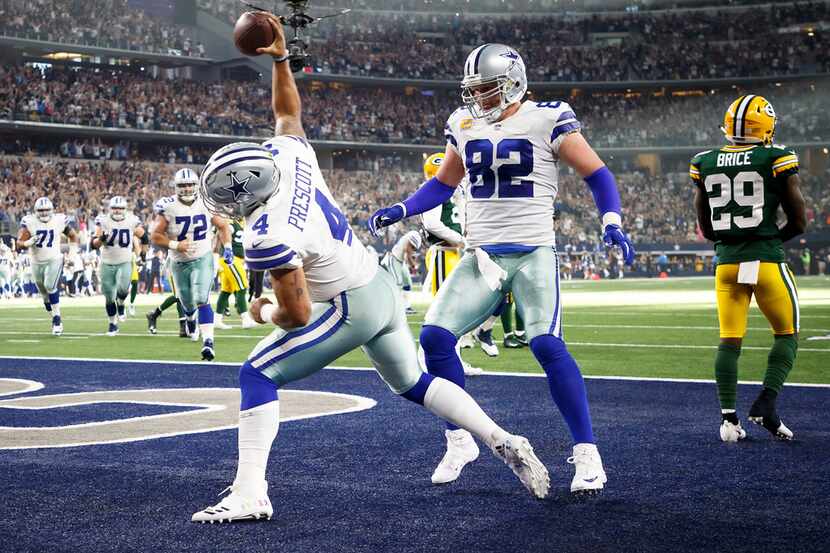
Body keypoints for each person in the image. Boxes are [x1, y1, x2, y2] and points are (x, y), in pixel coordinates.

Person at [191, 17, 549, 524]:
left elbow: (294, 315)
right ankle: (500, 438)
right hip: (378, 284)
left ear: (239, 197)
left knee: (257, 374)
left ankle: (250, 493)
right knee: (413, 383)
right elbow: (286, 113)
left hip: (349, 303)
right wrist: (279, 59)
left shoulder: (268, 233)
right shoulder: (289, 158)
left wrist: (261, 308)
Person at [369, 43, 635, 494]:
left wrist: (611, 218)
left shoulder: (549, 117)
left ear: (513, 82)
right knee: (434, 337)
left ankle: (588, 453)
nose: (479, 97)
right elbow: (442, 184)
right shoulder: (463, 122)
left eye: (487, 88)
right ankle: (459, 440)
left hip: (533, 251)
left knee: (546, 344)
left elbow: (597, 173)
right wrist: (402, 207)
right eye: (473, 89)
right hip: (482, 254)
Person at [691, 94, 806, 442]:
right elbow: (799, 221)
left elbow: (706, 227)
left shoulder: (705, 160)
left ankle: (729, 421)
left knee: (729, 341)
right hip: (766, 261)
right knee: (787, 334)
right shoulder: (776, 156)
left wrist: (734, 243)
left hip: (726, 263)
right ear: (766, 126)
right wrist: (768, 240)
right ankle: (766, 404)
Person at [150, 168, 233, 361]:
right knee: (186, 302)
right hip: (179, 262)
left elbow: (223, 226)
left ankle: (208, 342)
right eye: (183, 185)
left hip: (202, 256)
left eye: (190, 185)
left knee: (201, 297)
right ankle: (189, 319)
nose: (187, 188)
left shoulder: (206, 202)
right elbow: (155, 236)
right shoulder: (168, 206)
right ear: (176, 187)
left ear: (196, 185)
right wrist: (175, 244)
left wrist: (227, 247)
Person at [418, 153, 484, 375]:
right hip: (443, 253)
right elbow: (431, 223)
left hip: (451, 254)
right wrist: (460, 239)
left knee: (454, 310)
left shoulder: (452, 193)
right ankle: (426, 359)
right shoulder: (434, 189)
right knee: (442, 310)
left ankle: (452, 360)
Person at [16, 197, 79, 335]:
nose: (44, 213)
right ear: (36, 211)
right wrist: (27, 243)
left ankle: (57, 319)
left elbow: (73, 236)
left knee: (50, 286)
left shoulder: (59, 220)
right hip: (36, 261)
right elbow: (19, 242)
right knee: (45, 295)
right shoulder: (30, 222)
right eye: (41, 210)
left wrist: (72, 255)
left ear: (51, 210)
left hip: (54, 259)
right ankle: (53, 316)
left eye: (46, 210)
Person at [91, 196, 145, 336]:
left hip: (125, 261)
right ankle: (112, 323)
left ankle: (121, 303)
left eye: (120, 208)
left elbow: (145, 237)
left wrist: (143, 253)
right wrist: (102, 239)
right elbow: (93, 244)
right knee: (109, 296)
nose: (117, 211)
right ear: (110, 209)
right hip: (107, 262)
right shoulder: (102, 221)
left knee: (122, 288)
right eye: (115, 208)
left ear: (125, 209)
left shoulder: (132, 220)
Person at [215, 217, 255, 329]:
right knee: (242, 287)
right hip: (231, 259)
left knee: (226, 291)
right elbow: (220, 234)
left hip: (234, 259)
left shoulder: (241, 222)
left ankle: (217, 319)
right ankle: (246, 319)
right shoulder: (229, 222)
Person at [380, 230, 421, 314]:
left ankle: (406, 307)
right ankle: (392, 308)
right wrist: (413, 265)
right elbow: (407, 250)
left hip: (401, 262)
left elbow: (407, 252)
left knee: (407, 283)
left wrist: (411, 264)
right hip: (394, 259)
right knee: (397, 284)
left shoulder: (414, 235)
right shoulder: (414, 234)